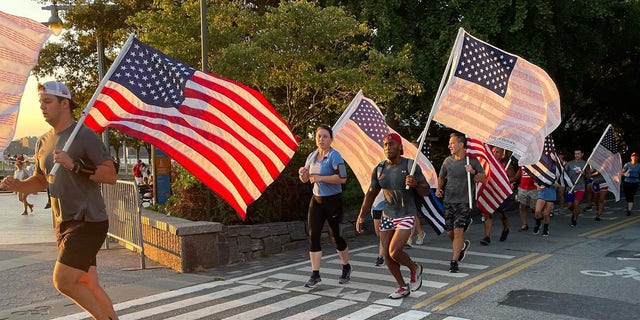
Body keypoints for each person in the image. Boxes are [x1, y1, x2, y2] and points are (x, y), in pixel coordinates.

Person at [1, 81, 118, 319]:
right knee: (88, 282)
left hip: (88, 220)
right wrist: (19, 185)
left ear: (65, 104)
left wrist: (74, 165)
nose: (42, 107)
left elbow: (110, 175)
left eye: (47, 101)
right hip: (63, 221)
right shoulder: (43, 141)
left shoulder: (83, 135)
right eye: (40, 102)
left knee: (63, 281)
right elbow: (42, 180)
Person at [356, 133, 426, 299]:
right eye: (386, 144)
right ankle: (402, 286)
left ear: (400, 147)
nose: (388, 147)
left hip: (407, 213)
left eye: (392, 144)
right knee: (387, 255)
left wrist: (415, 184)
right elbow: (371, 194)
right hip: (388, 214)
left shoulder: (411, 165)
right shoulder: (380, 169)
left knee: (395, 251)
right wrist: (361, 215)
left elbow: (426, 190)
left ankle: (414, 268)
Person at [298, 125, 351, 289]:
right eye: (319, 136)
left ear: (331, 139)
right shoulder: (312, 156)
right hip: (317, 200)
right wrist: (302, 174)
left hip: (333, 200)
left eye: (325, 136)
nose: (321, 139)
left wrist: (321, 177)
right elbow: (306, 180)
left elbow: (343, 178)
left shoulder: (335, 156)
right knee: (313, 235)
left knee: (336, 237)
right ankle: (315, 274)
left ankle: (346, 266)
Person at [435, 132, 486, 273]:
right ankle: (462, 246)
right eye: (450, 143)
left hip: (464, 202)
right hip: (448, 200)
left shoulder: (472, 161)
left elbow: (484, 179)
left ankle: (454, 261)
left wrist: (473, 172)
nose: (449, 146)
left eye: (452, 143)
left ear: (461, 144)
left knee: (458, 231)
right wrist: (439, 188)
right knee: (449, 232)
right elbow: (441, 176)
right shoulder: (447, 161)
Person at [480, 146, 518, 245]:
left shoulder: (506, 165)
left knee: (502, 214)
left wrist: (505, 182)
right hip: (490, 190)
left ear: (502, 154)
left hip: (501, 193)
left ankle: (506, 228)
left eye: (498, 152)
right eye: (493, 151)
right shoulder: (487, 164)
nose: (495, 154)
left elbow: (513, 177)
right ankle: (487, 236)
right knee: (488, 213)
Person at [565, 148, 591, 227]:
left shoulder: (585, 164)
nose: (576, 155)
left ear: (582, 154)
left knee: (576, 203)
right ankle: (575, 211)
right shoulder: (569, 164)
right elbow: (564, 174)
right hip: (570, 187)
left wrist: (584, 174)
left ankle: (574, 219)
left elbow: (588, 176)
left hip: (580, 187)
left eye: (578, 154)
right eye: (575, 154)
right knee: (570, 205)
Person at [517, 166, 537, 231]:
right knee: (522, 206)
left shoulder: (536, 164)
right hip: (522, 188)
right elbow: (517, 176)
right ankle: (524, 224)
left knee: (534, 208)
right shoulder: (522, 165)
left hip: (533, 189)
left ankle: (538, 219)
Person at [622, 152, 640, 216]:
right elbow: (622, 173)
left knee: (631, 195)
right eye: (633, 156)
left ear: (637, 158)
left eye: (635, 156)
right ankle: (629, 204)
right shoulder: (627, 164)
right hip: (627, 181)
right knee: (627, 196)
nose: (634, 157)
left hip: (635, 182)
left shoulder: (639, 165)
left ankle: (629, 210)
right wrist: (626, 172)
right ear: (631, 157)